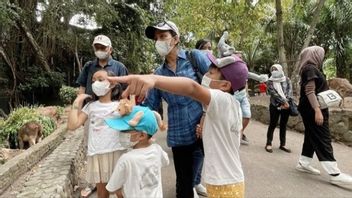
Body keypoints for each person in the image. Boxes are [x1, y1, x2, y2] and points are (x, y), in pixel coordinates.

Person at [108, 53, 248, 198]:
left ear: (225, 85)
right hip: (229, 181)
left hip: (224, 185)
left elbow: (192, 88)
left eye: (211, 73)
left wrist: (154, 79)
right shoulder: (233, 104)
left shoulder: (223, 100)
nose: (205, 75)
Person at [143, 21, 210, 197]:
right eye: (156, 38)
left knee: (208, 169)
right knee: (183, 183)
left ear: (176, 39)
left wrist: (204, 117)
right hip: (179, 134)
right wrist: (132, 113)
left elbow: (214, 88)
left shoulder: (194, 58)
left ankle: (196, 183)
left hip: (203, 127)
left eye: (163, 36)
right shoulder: (158, 74)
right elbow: (150, 106)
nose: (158, 41)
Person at [75, 34, 128, 197]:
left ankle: (116, 182)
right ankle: (97, 183)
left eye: (103, 48)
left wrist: (125, 108)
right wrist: (79, 111)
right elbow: (82, 88)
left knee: (115, 152)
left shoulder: (119, 67)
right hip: (93, 113)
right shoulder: (89, 66)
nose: (99, 50)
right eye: (96, 47)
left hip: (114, 115)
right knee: (94, 150)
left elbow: (126, 89)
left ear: (110, 49)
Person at [296, 46, 352, 185]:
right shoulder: (310, 69)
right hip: (313, 109)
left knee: (311, 135)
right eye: (321, 55)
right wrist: (317, 110)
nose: (322, 57)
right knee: (322, 137)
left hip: (310, 109)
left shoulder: (309, 68)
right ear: (315, 55)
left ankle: (304, 162)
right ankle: (334, 173)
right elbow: (310, 91)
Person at [67, 69, 126, 198]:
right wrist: (76, 102)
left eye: (100, 80)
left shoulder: (120, 106)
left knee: (121, 191)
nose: (95, 83)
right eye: (93, 81)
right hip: (98, 154)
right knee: (102, 193)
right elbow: (72, 125)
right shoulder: (90, 107)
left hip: (117, 152)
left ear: (112, 84)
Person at [104, 105, 170, 197]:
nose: (120, 133)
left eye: (125, 130)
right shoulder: (157, 150)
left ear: (142, 135)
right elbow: (166, 161)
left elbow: (113, 188)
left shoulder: (126, 159)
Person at [265, 64, 292, 153]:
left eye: (276, 69)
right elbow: (273, 93)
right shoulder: (270, 81)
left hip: (286, 106)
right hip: (275, 105)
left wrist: (286, 101)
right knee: (273, 124)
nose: (274, 71)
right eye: (272, 69)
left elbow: (289, 91)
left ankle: (283, 144)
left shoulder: (287, 79)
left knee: (283, 125)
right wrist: (283, 102)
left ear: (280, 69)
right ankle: (268, 144)